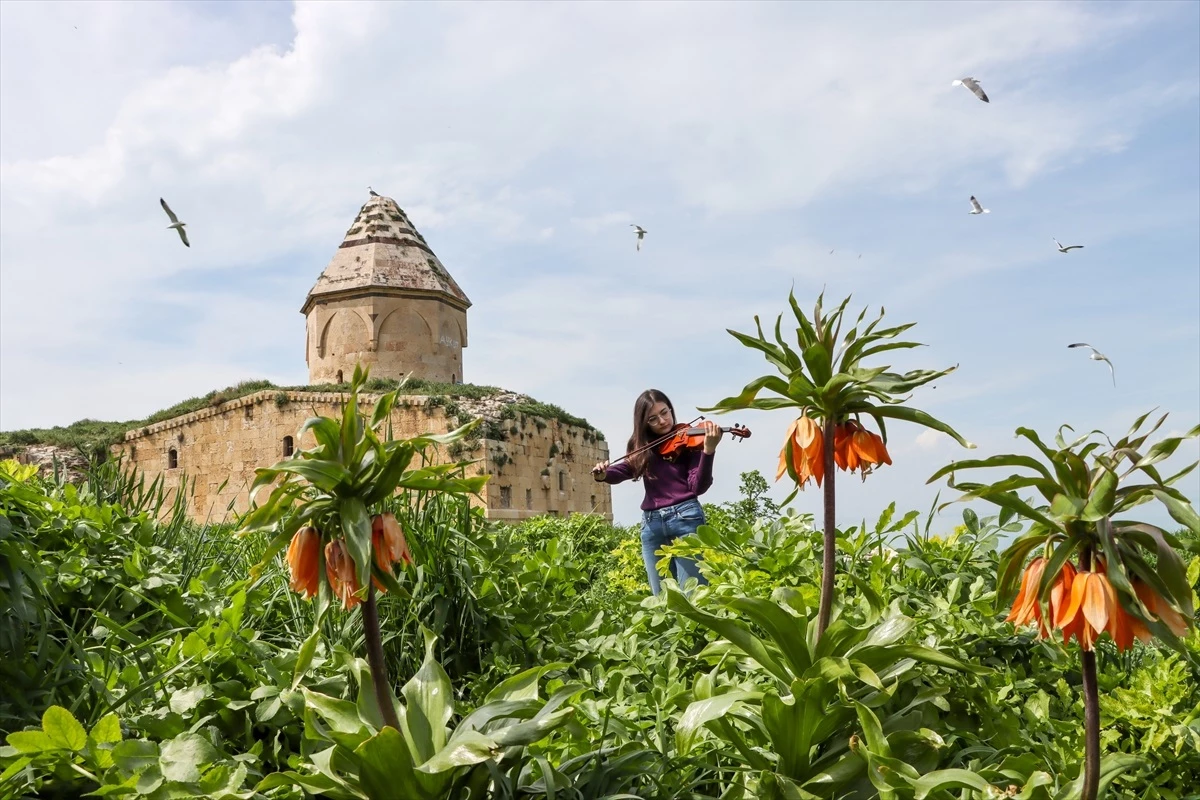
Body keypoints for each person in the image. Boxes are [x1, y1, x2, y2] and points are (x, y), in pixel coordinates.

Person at [592, 389, 723, 595]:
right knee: (660, 597)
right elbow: (624, 470)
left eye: (665, 412)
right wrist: (602, 474)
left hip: (686, 517)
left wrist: (708, 451)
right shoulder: (643, 447)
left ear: (671, 409)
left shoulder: (689, 440)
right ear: (644, 424)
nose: (662, 421)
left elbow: (699, 486)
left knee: (694, 595)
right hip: (651, 524)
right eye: (653, 419)